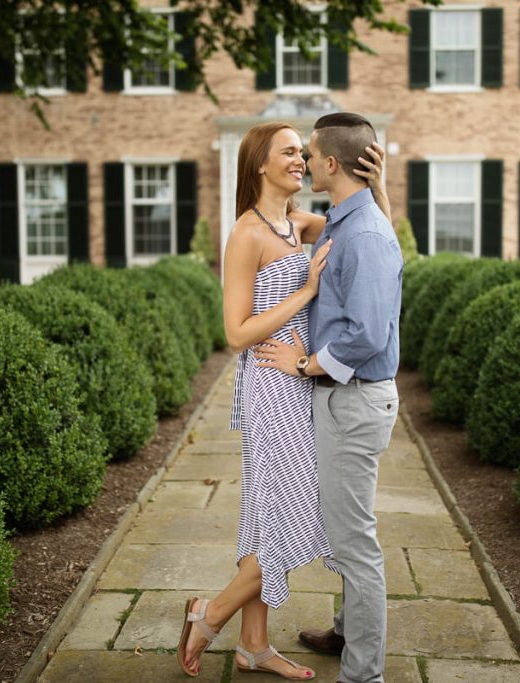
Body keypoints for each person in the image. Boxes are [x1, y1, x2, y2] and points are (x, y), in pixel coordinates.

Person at [176, 120, 390, 679]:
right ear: (260, 165)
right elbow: (237, 333)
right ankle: (209, 614)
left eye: (304, 152)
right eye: (290, 152)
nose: (301, 160)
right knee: (295, 522)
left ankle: (253, 644)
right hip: (272, 385)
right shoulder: (246, 233)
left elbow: (373, 238)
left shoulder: (300, 223)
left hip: (304, 381)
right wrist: (307, 291)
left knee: (267, 517)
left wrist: (380, 184)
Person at [253, 112, 403, 683]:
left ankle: (363, 674)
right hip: (346, 399)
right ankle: (345, 632)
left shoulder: (362, 231)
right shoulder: (351, 216)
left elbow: (367, 331)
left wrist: (306, 363)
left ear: (332, 164)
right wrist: (379, 190)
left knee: (354, 541)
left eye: (310, 155)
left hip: (352, 397)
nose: (304, 163)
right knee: (342, 524)